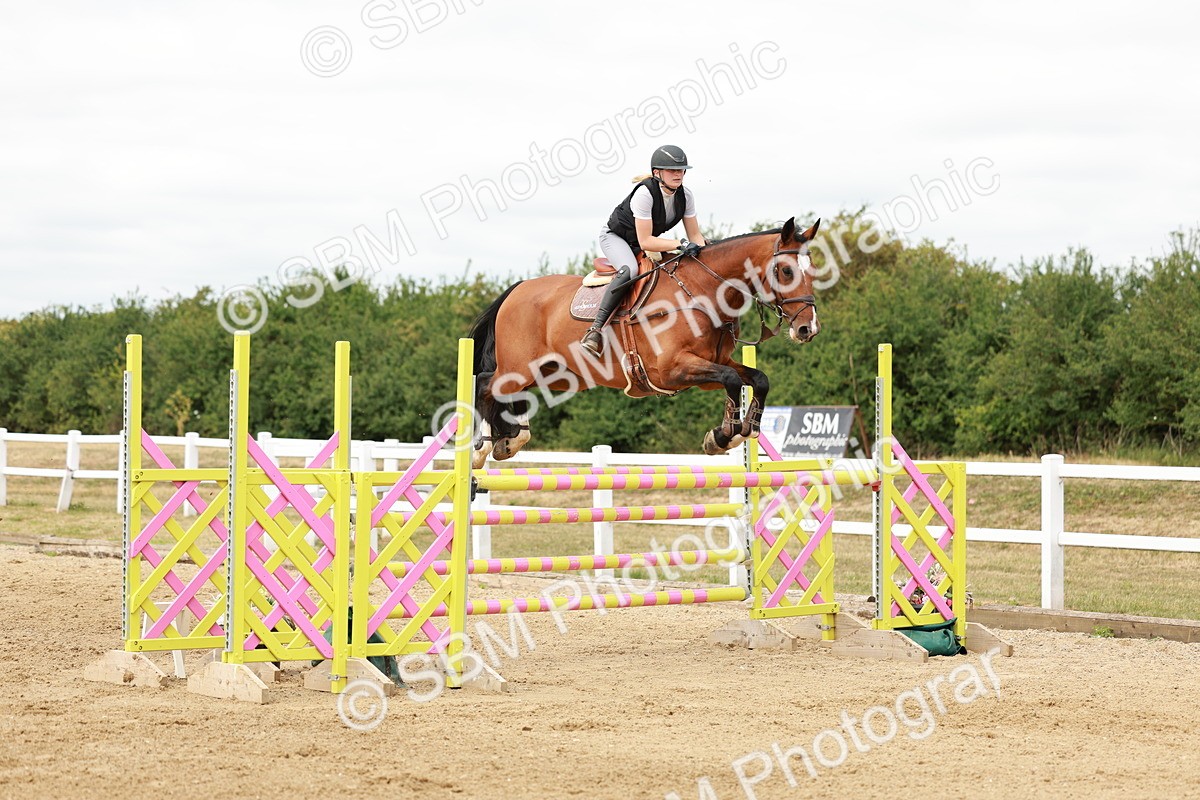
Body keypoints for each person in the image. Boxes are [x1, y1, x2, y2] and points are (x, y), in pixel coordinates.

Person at [580, 144, 707, 356]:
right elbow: (647, 241)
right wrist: (679, 244)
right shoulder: (645, 193)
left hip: (644, 241)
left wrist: (704, 256)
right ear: (657, 172)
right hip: (617, 238)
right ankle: (595, 329)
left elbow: (695, 236)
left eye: (681, 170)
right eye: (673, 170)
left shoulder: (686, 196)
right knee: (629, 269)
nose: (679, 174)